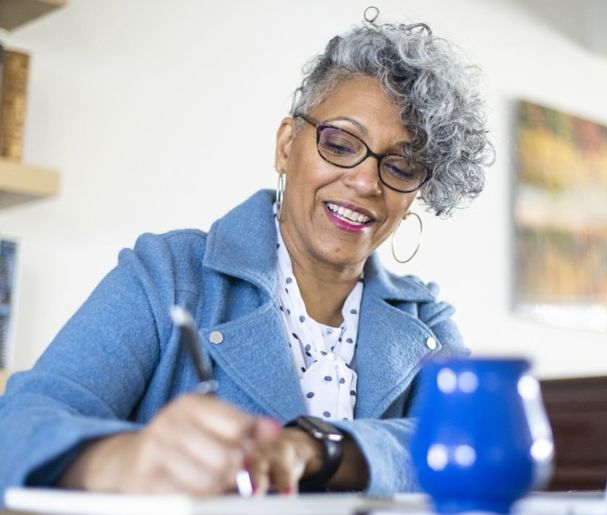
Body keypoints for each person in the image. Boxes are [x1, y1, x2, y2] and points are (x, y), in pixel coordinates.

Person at [0, 9, 492, 501]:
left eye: (401, 167)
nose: (365, 181)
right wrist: (122, 459)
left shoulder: (425, 320)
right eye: (340, 144)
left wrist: (321, 450)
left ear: (412, 199)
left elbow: (475, 446)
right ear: (285, 145)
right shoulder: (167, 273)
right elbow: (19, 428)